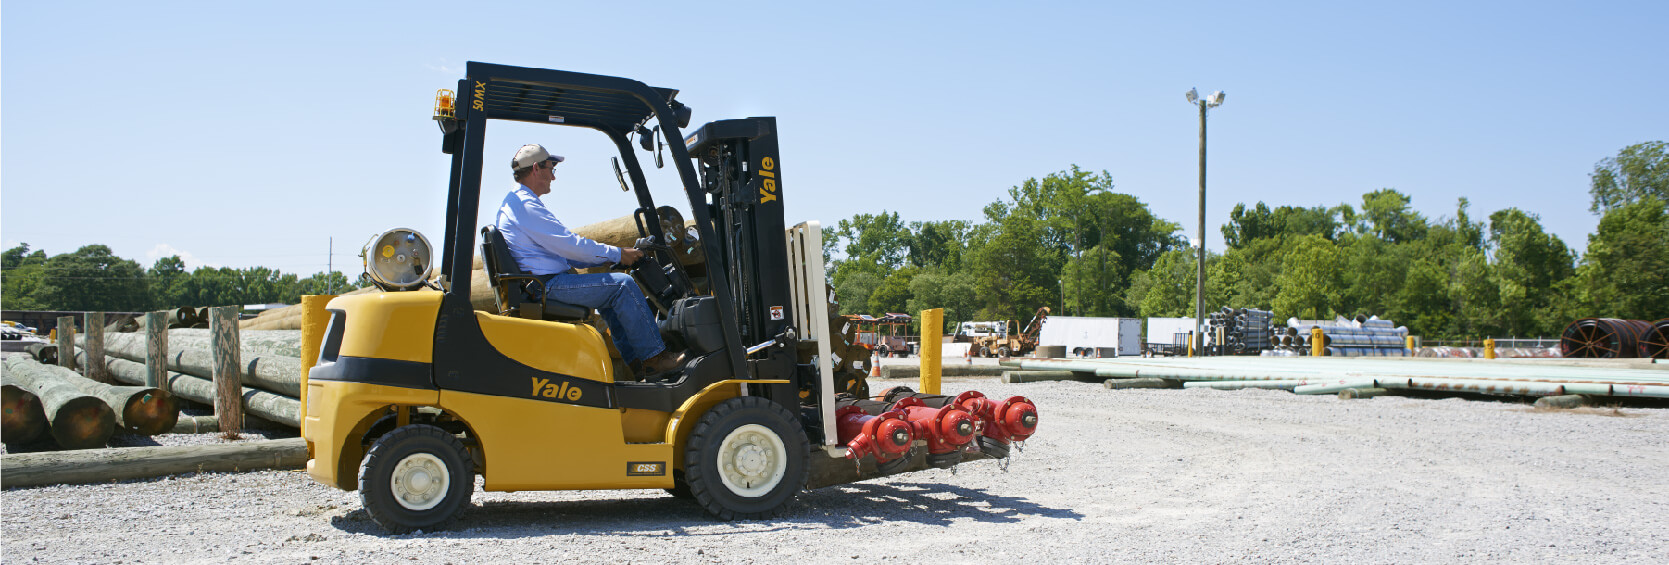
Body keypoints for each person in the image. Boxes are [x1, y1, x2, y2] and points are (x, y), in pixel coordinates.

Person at [495, 143, 685, 376]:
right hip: (546, 286)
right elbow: (569, 246)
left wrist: (605, 258)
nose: (553, 177)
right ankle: (654, 357)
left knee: (611, 294)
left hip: (541, 284)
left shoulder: (517, 203)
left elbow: (562, 251)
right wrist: (617, 254)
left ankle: (639, 365)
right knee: (622, 286)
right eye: (551, 168)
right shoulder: (525, 205)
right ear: (536, 168)